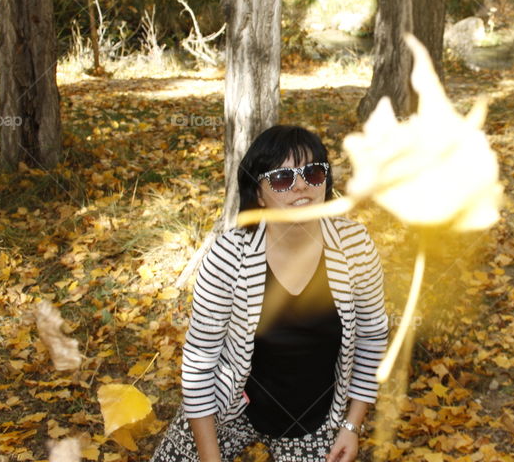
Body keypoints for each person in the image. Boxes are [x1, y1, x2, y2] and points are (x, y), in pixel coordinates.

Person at [152, 125, 389, 462]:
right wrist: (209, 456)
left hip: (313, 420)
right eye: (281, 178)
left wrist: (351, 426)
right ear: (259, 194)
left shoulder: (354, 246)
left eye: (313, 172)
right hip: (229, 408)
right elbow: (200, 361)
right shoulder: (228, 256)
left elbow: (372, 338)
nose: (301, 185)